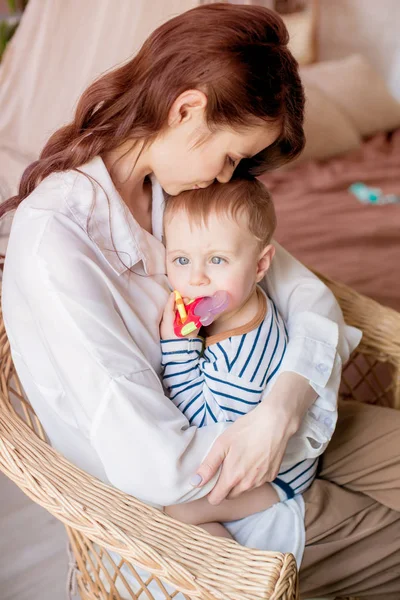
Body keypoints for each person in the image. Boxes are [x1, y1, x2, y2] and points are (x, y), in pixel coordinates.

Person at [0, 3, 399, 597]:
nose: (227, 175)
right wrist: (284, 438)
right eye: (232, 155)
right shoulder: (58, 243)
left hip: (274, 422)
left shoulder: (176, 192)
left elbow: (308, 297)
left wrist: (284, 407)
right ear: (188, 110)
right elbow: (153, 461)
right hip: (210, 491)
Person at [160, 179, 320, 538]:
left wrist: (176, 349)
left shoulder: (240, 365)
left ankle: (238, 581)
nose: (196, 278)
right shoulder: (239, 301)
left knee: (176, 512)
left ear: (261, 264)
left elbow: (204, 429)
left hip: (279, 475)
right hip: (246, 436)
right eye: (181, 259)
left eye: (217, 260)